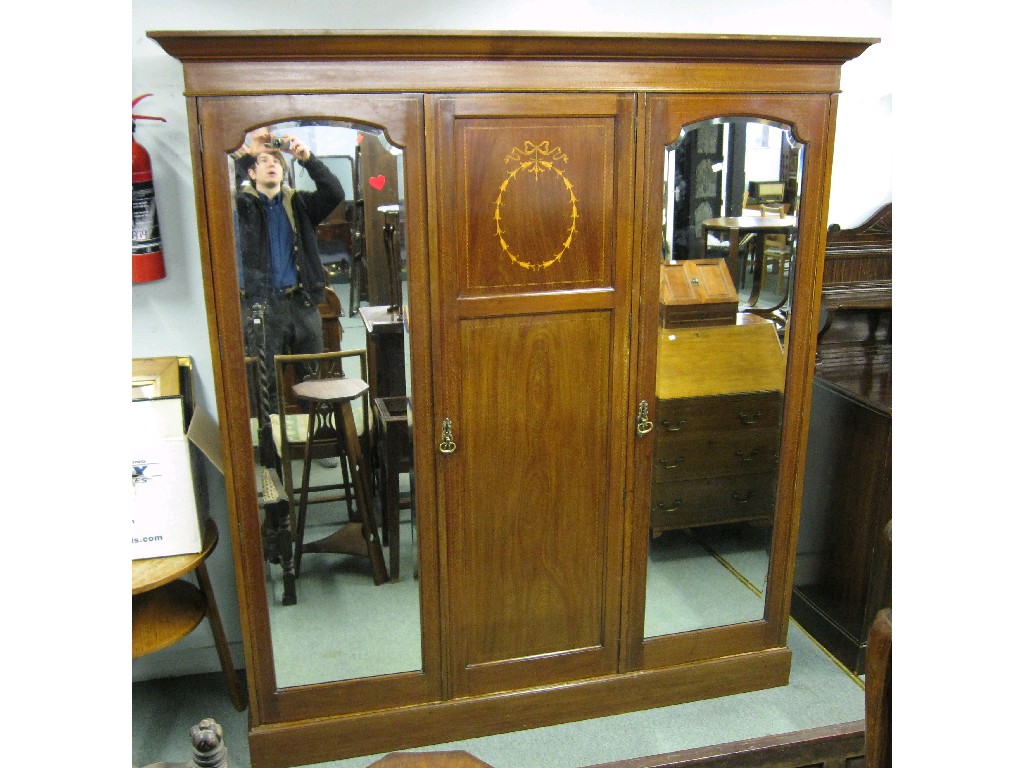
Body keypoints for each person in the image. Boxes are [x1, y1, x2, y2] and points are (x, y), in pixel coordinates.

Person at [235, 129, 344, 464]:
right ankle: (269, 446)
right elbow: (223, 195)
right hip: (260, 306)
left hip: (301, 303)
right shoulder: (242, 205)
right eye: (263, 162)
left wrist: (307, 159)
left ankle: (318, 440)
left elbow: (334, 192)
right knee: (262, 379)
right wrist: (245, 155)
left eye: (276, 162)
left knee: (311, 374)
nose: (271, 165)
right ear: (252, 172)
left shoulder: (298, 203)